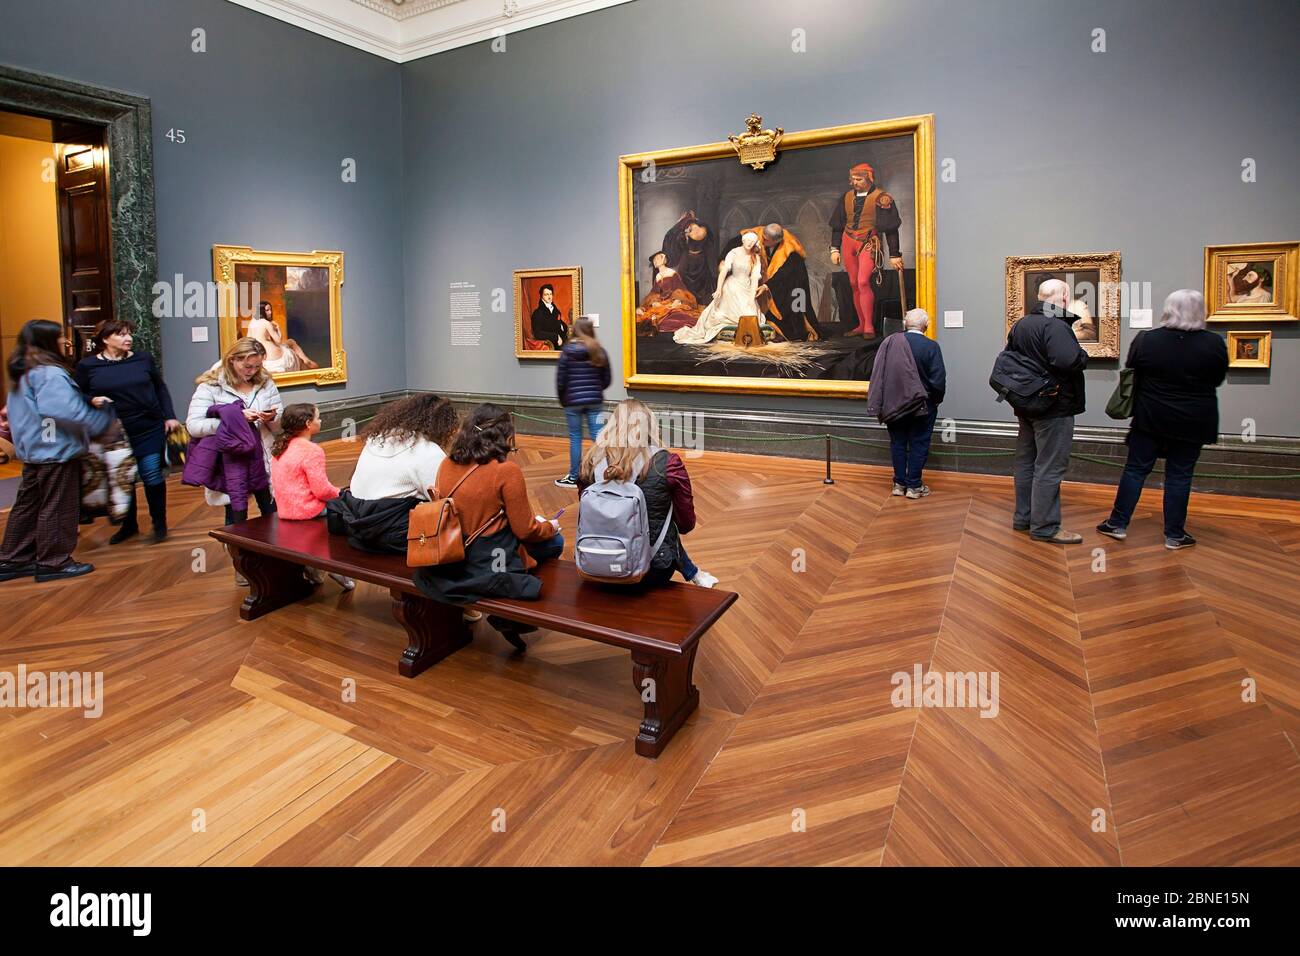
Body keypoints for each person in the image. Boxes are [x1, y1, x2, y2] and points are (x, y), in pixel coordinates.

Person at [413, 404, 562, 647]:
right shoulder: (506, 471)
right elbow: (525, 530)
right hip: (487, 557)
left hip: (450, 551)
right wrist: (551, 527)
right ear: (503, 436)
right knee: (555, 543)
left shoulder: (447, 463)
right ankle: (513, 615)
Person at [1097, 290, 1228, 550]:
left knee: (1135, 470)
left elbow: (1133, 369)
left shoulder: (1147, 339)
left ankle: (1117, 523)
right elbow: (1217, 379)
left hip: (1151, 417)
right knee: (1179, 476)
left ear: (1169, 309)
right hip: (1194, 420)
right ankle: (1174, 535)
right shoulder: (1214, 343)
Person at [0, 320, 117, 583]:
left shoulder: (23, 370)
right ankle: (54, 562)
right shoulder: (49, 373)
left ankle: (13, 558)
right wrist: (103, 424)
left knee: (28, 505)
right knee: (57, 505)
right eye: (61, 337)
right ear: (46, 341)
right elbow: (65, 411)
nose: (65, 341)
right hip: (55, 450)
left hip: (34, 449)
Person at [577, 399, 717, 588]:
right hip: (651, 570)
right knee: (664, 524)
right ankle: (693, 572)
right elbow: (685, 524)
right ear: (649, 427)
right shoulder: (667, 463)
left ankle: (693, 571)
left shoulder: (590, 461)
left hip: (594, 563)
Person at [74, 319, 180, 544]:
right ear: (105, 339)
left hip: (148, 426)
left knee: (151, 472)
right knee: (124, 477)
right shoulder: (88, 366)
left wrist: (169, 415)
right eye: (121, 334)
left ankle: (159, 524)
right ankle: (128, 525)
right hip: (114, 431)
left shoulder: (143, 359)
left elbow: (160, 387)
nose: (128, 338)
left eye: (129, 333)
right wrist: (91, 399)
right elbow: (75, 394)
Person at [1006, 278, 1088, 543]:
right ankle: (1045, 527)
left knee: (1026, 462)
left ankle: (1024, 518)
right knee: (1050, 466)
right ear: (1063, 297)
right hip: (1054, 405)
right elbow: (1068, 360)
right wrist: (1082, 355)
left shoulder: (1022, 324)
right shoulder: (1055, 325)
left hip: (1027, 404)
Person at [330, 393, 460, 555]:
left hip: (355, 524)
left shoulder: (377, 439)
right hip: (390, 535)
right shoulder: (427, 451)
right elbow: (445, 496)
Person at [186, 337, 282, 526]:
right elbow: (194, 426)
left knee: (272, 511)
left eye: (257, 366)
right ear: (233, 360)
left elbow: (278, 426)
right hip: (231, 462)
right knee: (236, 517)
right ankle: (240, 553)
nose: (253, 371)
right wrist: (236, 420)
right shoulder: (210, 386)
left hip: (263, 460)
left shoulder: (265, 382)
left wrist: (272, 417)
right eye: (248, 367)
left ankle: (274, 553)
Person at [270, 402, 353, 590]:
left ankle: (313, 567)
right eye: (318, 417)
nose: (321, 420)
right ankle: (336, 564)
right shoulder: (312, 450)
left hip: (285, 509)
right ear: (308, 423)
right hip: (308, 510)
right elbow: (322, 491)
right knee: (349, 512)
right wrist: (342, 493)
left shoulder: (280, 447)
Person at [829, 162, 903, 337]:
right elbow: (837, 225)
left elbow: (891, 229)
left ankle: (869, 326)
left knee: (863, 282)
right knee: (854, 283)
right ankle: (861, 325)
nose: (855, 182)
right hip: (848, 241)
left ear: (869, 178)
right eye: (853, 179)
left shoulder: (882, 198)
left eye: (859, 179)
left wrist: (894, 254)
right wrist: (834, 248)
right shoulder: (846, 197)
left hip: (869, 242)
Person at [722, 223, 823, 341]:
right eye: (763, 237)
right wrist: (722, 259)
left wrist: (766, 286)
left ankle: (781, 327)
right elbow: (735, 242)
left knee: (792, 305)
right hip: (762, 281)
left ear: (776, 241)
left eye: (766, 240)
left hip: (783, 286)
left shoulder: (791, 251)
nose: (762, 241)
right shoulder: (757, 233)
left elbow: (784, 274)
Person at [886, 309, 946, 499]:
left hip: (895, 404)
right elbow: (938, 380)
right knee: (919, 444)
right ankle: (914, 486)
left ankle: (898, 484)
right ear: (926, 325)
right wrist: (934, 401)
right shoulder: (930, 346)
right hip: (923, 405)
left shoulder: (890, 344)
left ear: (905, 324)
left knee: (898, 443)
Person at [672, 231, 764, 345]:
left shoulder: (756, 257)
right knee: (721, 315)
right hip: (731, 287)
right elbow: (724, 271)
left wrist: (751, 297)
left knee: (751, 315)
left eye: (752, 241)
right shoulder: (733, 253)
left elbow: (755, 278)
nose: (750, 243)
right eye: (748, 240)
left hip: (747, 288)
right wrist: (719, 289)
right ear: (743, 240)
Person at [554, 316, 610, 488]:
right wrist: (596, 391)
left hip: (573, 402)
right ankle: (603, 474)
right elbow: (607, 378)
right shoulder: (598, 350)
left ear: (575, 330)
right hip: (594, 400)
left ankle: (574, 477)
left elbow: (561, 380)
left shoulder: (567, 351)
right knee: (598, 438)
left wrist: (564, 400)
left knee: (575, 438)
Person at [635, 251, 701, 336]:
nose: (655, 261)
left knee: (675, 316)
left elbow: (679, 288)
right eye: (654, 260)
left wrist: (677, 300)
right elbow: (655, 292)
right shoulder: (658, 276)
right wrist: (654, 302)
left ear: (663, 259)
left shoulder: (672, 273)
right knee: (647, 317)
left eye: (658, 258)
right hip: (662, 301)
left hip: (673, 299)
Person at [662, 211, 720, 307]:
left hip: (690, 259)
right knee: (688, 282)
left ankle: (694, 304)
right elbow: (710, 242)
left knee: (687, 281)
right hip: (699, 259)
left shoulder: (685, 231)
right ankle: (693, 303)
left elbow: (677, 241)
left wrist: (685, 235)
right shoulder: (704, 228)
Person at [246, 300, 318, 373]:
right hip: (273, 355)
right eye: (267, 310)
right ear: (261, 311)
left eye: (270, 309)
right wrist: (277, 328)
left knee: (291, 342)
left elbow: (248, 340)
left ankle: (306, 361)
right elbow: (278, 341)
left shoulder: (252, 322)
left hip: (262, 355)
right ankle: (306, 361)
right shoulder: (266, 323)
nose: (270, 312)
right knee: (291, 343)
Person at [529, 285, 568, 349]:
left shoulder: (555, 310)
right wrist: (556, 337)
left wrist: (563, 326)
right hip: (551, 345)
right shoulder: (537, 313)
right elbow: (537, 333)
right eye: (546, 294)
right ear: (541, 296)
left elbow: (559, 322)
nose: (549, 297)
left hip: (562, 342)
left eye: (550, 294)